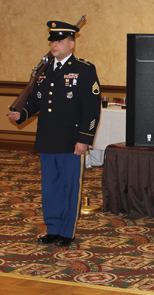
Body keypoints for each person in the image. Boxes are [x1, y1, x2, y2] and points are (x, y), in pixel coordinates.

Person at [7, 21, 101, 247]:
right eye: (52, 40)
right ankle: (53, 228)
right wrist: (23, 114)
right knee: (50, 187)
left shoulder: (84, 69)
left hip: (71, 141)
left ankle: (66, 231)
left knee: (70, 187)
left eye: (59, 40)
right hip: (47, 138)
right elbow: (37, 101)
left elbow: (91, 108)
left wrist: (84, 139)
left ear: (71, 43)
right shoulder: (45, 69)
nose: (54, 44)